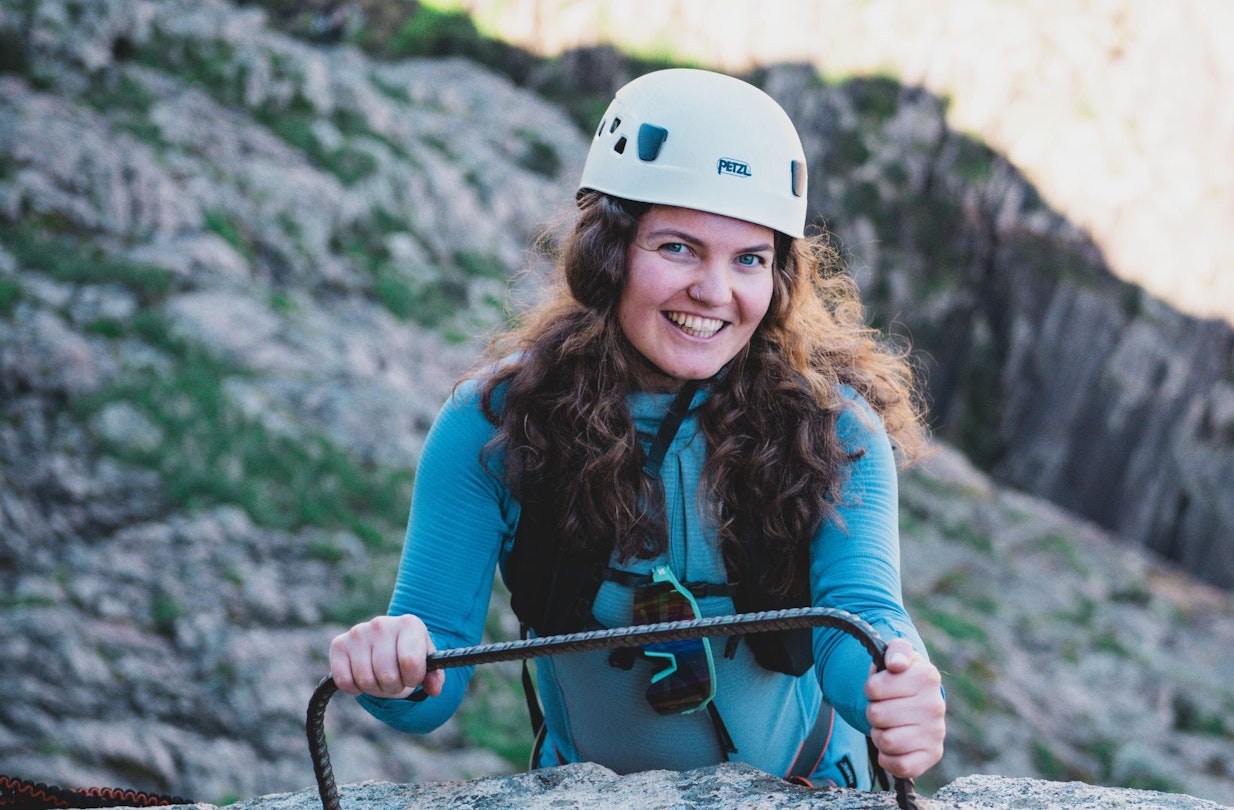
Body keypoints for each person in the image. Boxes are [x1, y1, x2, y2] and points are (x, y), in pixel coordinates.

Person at [328, 68, 946, 789]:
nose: (714, 293)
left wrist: (893, 676)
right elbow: (431, 683)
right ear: (608, 251)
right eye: (678, 248)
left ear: (777, 281)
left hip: (809, 792)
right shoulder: (495, 425)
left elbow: (861, 613)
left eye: (748, 259)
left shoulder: (835, 431)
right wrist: (395, 667)